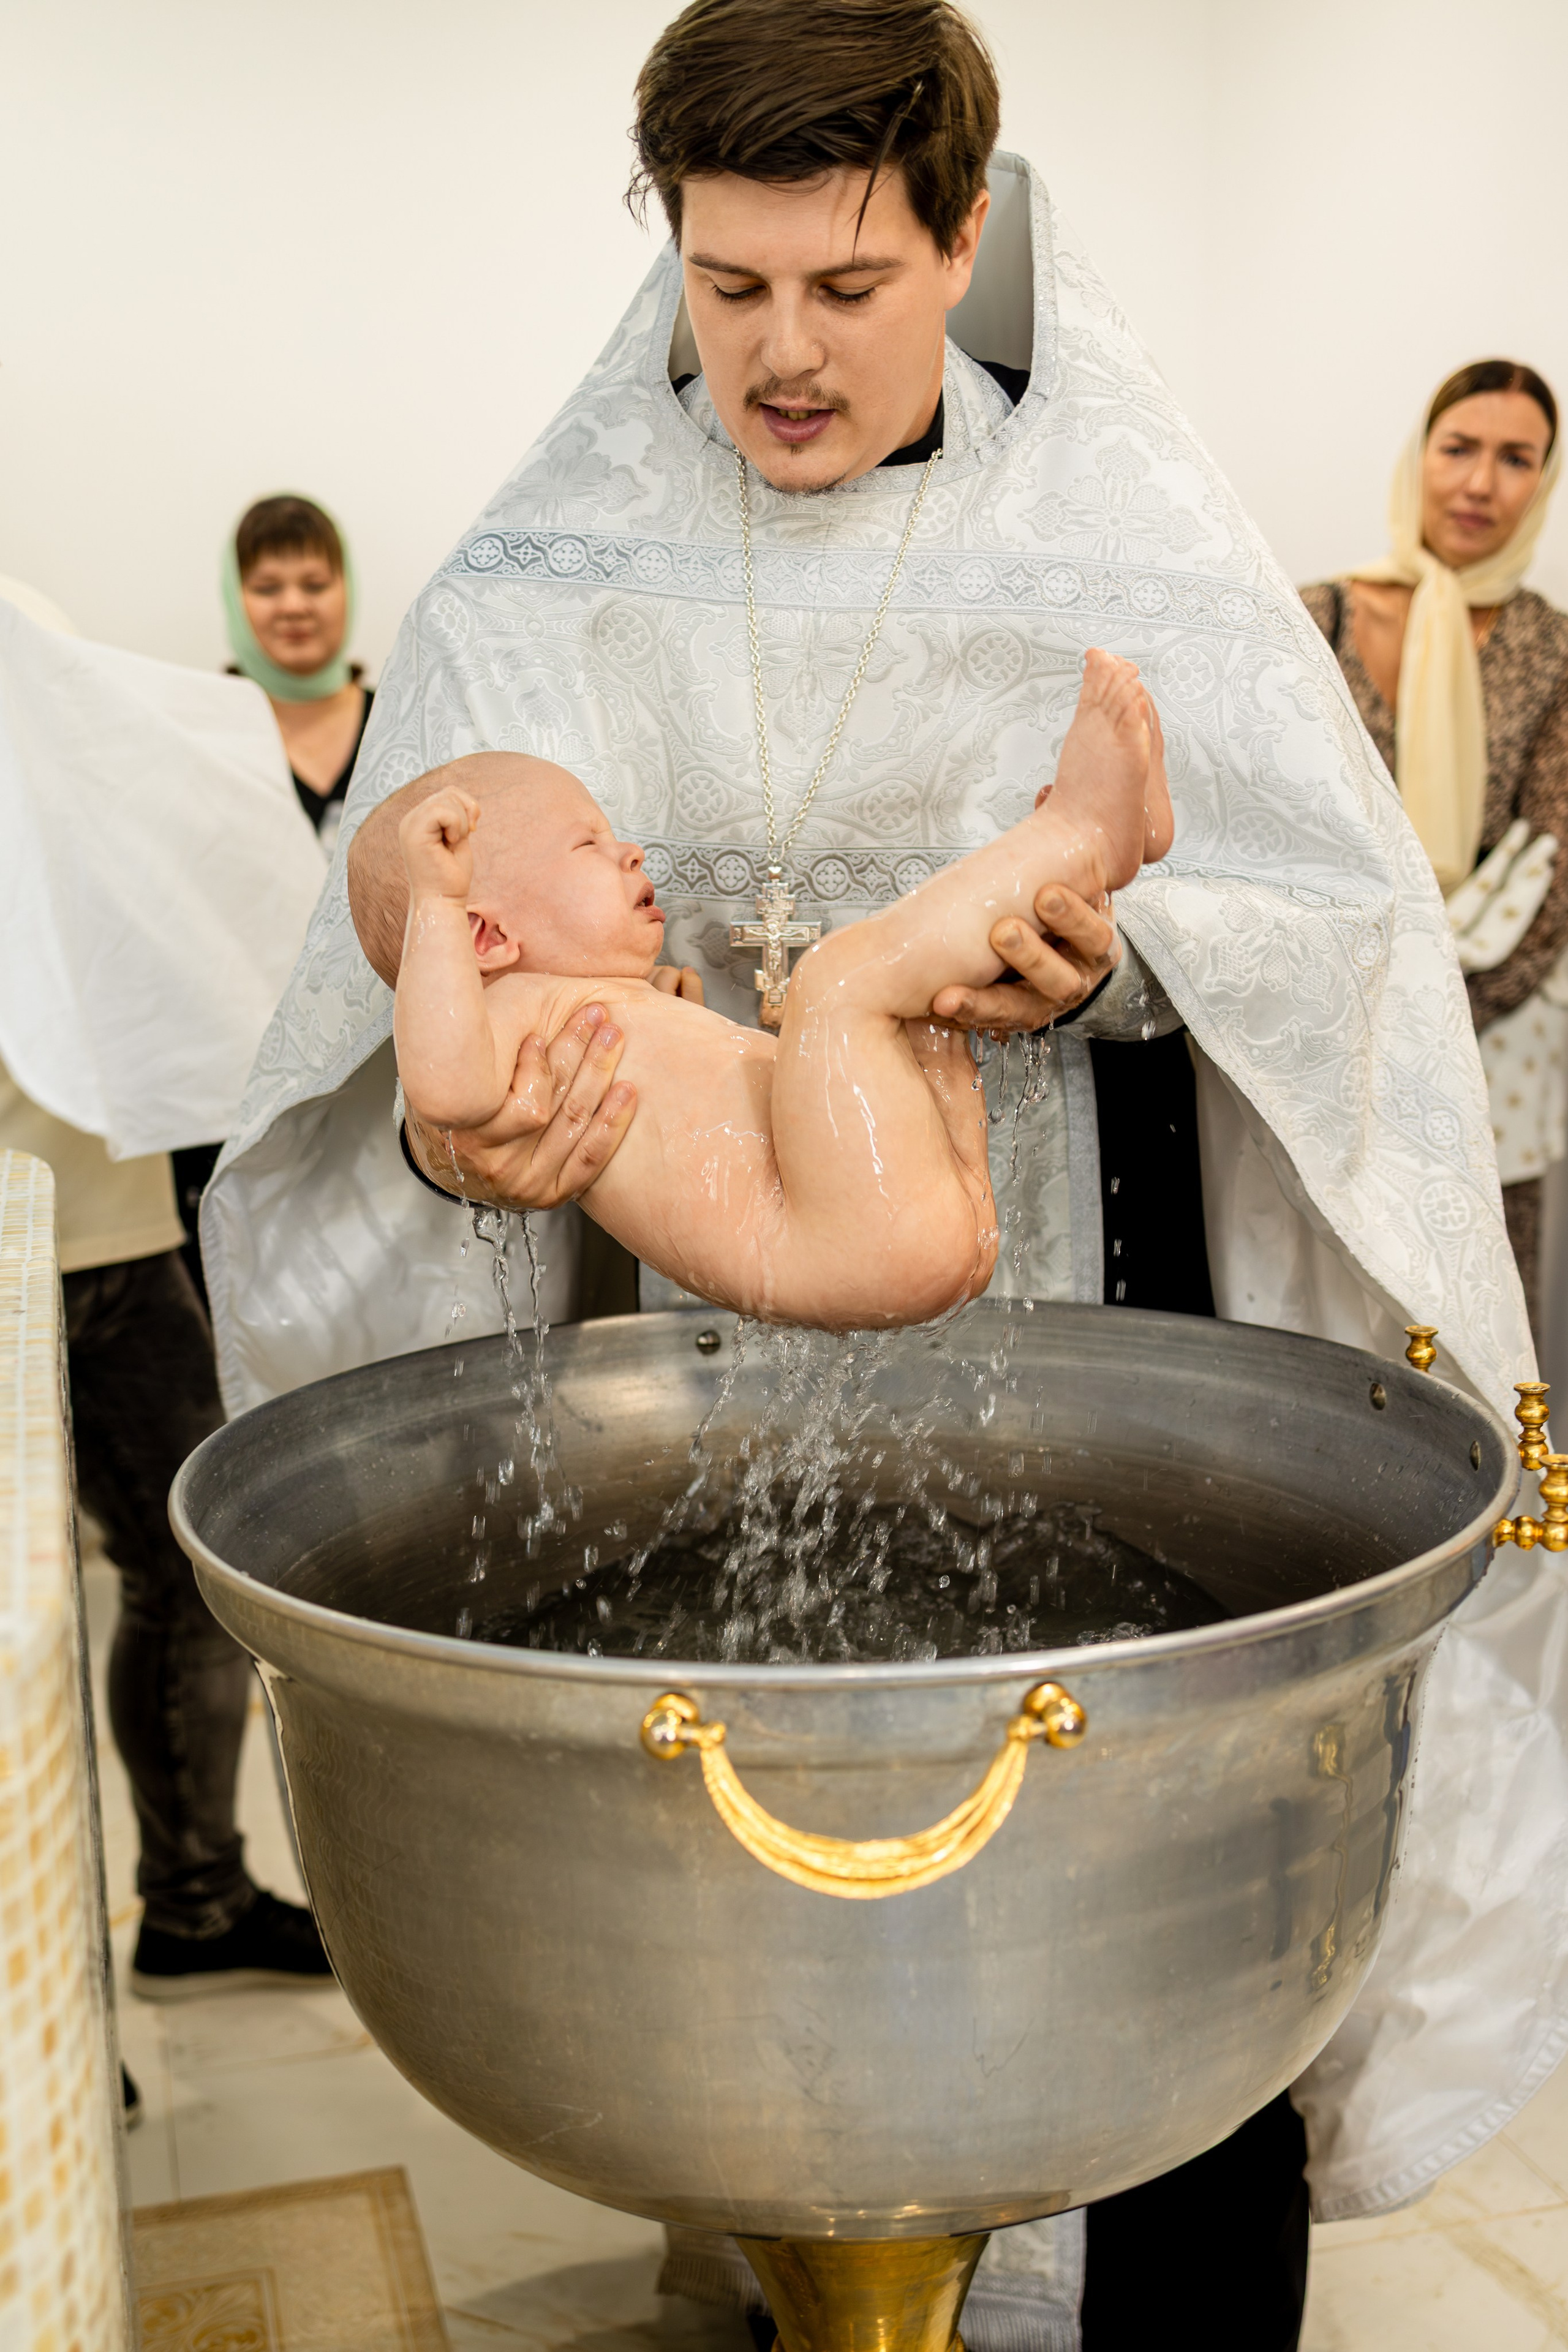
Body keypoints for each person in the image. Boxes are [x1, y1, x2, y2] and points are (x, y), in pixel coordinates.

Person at [201, 6, 1564, 2348]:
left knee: (1140, 2051)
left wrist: (1116, 953)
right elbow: (393, 945)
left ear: (967, 231)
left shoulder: (1125, 542)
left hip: (1098, 1364)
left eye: (846, 286)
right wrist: (454, 1104)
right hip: (719, 1378)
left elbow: (1339, 953)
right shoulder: (560, 566)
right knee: (764, 2006)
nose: (783, 355)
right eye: (728, 290)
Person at [358, 654, 1168, 1325]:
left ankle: (1083, 865)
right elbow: (441, 1087)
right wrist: (434, 900)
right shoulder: (510, 1021)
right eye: (590, 843)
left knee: (918, 1009)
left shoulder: (606, 1009)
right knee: (838, 986)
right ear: (485, 938)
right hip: (849, 1238)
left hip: (899, 1223)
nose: (631, 851)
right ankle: (1078, 837)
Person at [0, 584, 330, 2004]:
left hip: (111, 1221)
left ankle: (192, 1898)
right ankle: (39, 2014)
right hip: (28, 1229)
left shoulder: (33, 627)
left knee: (195, 1562)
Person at [1301, 361, 1568, 1332]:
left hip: (1488, 1038)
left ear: (1545, 481)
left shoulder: (1555, 649)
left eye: (1516, 459)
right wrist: (1356, 1000)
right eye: (1458, 449)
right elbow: (1276, 830)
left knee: (1478, 1317)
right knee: (1336, 1306)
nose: (1480, 484)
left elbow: (1553, 878)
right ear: (1420, 459)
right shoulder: (1314, 619)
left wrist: (1434, 1013)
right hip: (1331, 1027)